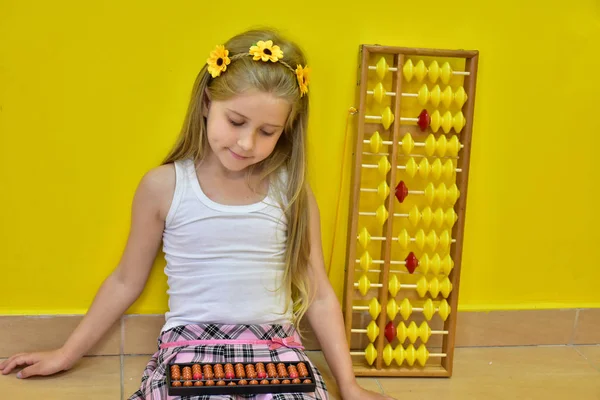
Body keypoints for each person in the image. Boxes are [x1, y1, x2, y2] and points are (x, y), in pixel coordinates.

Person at [0, 28, 396, 400]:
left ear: (287, 130)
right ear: (207, 102)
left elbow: (320, 293)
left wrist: (349, 385)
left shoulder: (291, 191)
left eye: (267, 131)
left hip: (275, 349)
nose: (246, 143)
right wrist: (66, 353)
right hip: (189, 349)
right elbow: (124, 281)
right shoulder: (164, 186)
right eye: (236, 121)